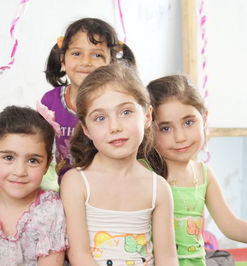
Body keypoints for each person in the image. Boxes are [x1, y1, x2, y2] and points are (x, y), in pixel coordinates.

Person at [60, 62, 178, 265]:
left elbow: (167, 258)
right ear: (86, 129)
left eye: (125, 112)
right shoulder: (76, 182)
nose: (115, 127)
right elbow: (79, 255)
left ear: (147, 116)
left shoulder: (158, 188)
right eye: (100, 118)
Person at [147, 75, 247, 266]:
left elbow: (230, 225)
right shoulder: (144, 172)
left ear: (204, 118)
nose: (180, 137)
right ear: (149, 127)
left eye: (188, 122)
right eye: (165, 128)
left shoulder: (203, 174)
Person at [0, 106, 68, 266]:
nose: (20, 171)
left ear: (46, 164)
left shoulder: (50, 211)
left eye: (33, 160)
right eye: (8, 157)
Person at [41, 17, 136, 183]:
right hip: (66, 187)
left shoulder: (118, 103)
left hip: (110, 186)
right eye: (77, 53)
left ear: (111, 62)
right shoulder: (50, 102)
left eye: (97, 55)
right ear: (63, 59)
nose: (86, 62)